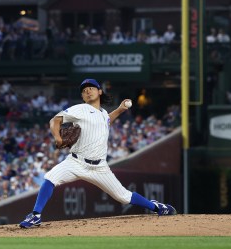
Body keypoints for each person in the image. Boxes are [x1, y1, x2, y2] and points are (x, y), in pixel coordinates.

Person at [18, 78, 176, 229]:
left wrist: (120, 110)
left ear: (99, 91)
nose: (88, 92)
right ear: (82, 96)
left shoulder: (102, 113)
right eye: (84, 90)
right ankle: (35, 215)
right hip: (75, 162)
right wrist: (58, 137)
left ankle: (156, 207)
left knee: (123, 197)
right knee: (50, 178)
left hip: (100, 167)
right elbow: (55, 120)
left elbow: (106, 121)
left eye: (91, 88)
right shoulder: (79, 109)